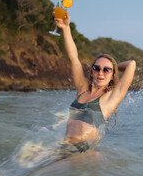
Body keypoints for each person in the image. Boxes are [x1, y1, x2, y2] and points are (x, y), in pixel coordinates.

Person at [55, 11, 136, 159]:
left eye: (106, 70)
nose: (100, 73)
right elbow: (74, 58)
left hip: (82, 153)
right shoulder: (82, 89)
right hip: (65, 150)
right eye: (97, 68)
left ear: (112, 75)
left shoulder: (110, 98)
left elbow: (131, 64)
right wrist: (66, 28)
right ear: (92, 71)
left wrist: (115, 67)